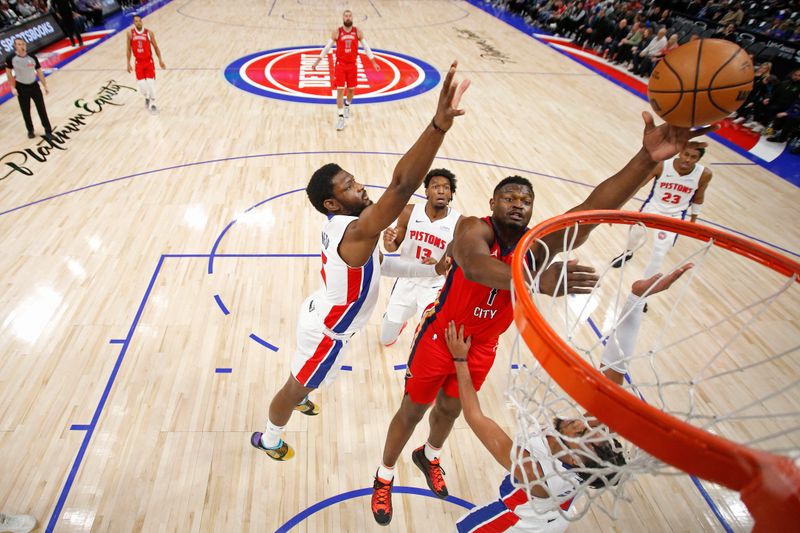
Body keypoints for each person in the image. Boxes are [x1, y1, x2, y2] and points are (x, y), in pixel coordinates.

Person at [370, 112, 716, 526]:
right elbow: (477, 268)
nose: (518, 204)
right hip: (442, 335)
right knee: (413, 409)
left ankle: (430, 456)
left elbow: (591, 211)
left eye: (526, 201)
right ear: (492, 204)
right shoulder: (471, 229)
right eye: (510, 198)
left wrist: (646, 158)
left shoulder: (535, 246)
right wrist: (535, 280)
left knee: (451, 410)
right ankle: (384, 475)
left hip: (481, 345)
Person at [249, 62, 470, 462]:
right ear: (332, 203)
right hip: (327, 334)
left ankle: (302, 396)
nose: (360, 186)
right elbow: (402, 186)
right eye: (349, 186)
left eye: (354, 178)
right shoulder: (357, 232)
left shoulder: (352, 230)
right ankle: (269, 438)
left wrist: (431, 269)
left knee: (311, 381)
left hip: (319, 311)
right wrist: (437, 126)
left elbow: (384, 267)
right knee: (295, 388)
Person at [446, 265, 692, 532]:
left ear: (574, 460)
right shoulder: (590, 457)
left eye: (583, 434)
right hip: (557, 517)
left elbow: (474, 416)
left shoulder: (534, 473)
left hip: (517, 524)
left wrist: (460, 358)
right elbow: (615, 368)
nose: (583, 423)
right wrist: (635, 300)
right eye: (591, 428)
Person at [380, 168, 461, 347]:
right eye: (435, 186)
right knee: (386, 340)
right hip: (407, 279)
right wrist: (389, 241)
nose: (441, 190)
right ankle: (398, 323)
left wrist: (441, 263)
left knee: (432, 334)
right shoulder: (409, 212)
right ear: (426, 191)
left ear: (451, 194)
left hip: (435, 285)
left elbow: (457, 261)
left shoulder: (459, 223)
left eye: (446, 188)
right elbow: (392, 247)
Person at [610, 142, 713, 281]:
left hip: (675, 216)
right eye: (686, 154)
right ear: (680, 152)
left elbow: (699, 197)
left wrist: (693, 220)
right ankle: (627, 254)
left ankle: (645, 289)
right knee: (634, 235)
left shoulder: (704, 174)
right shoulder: (662, 165)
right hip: (652, 208)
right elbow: (638, 186)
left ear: (698, 160)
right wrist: (619, 204)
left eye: (693, 157)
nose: (688, 159)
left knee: (659, 252)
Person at [311, 9, 380, 131]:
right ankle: (341, 118)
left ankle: (347, 105)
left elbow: (366, 47)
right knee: (339, 91)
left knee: (351, 90)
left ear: (352, 18)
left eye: (349, 16)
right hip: (340, 65)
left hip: (353, 65)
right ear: (343, 18)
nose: (348, 18)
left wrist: (373, 62)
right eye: (346, 16)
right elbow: (327, 48)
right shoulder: (337, 32)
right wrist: (317, 61)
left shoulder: (357, 32)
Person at [5, 38, 53, 140]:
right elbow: (8, 74)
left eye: (23, 44)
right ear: (15, 46)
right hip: (21, 87)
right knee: (25, 111)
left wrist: (45, 85)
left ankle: (48, 131)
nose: (21, 46)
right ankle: (30, 130)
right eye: (19, 44)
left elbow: (39, 72)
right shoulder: (10, 58)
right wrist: (12, 87)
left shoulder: (32, 57)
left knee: (42, 109)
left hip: (34, 86)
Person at [126, 14, 166, 114]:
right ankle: (147, 97)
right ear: (133, 22)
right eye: (136, 21)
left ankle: (153, 104)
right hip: (138, 62)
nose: (138, 22)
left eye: (139, 21)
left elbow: (156, 47)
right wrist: (128, 63)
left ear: (142, 21)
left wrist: (160, 60)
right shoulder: (130, 33)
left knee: (151, 84)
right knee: (141, 86)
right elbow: (128, 49)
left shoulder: (149, 33)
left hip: (148, 62)